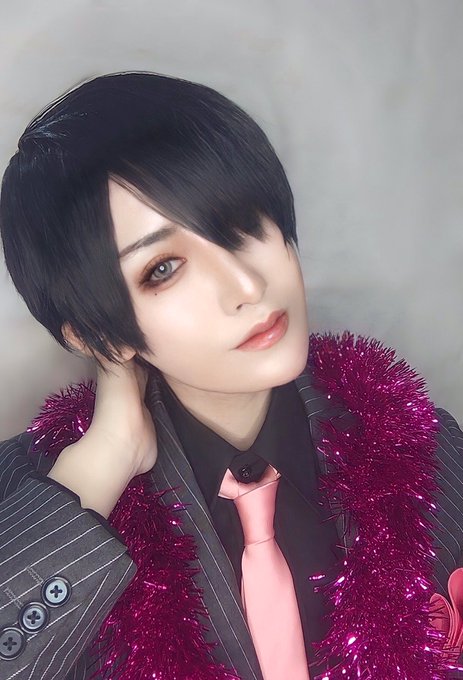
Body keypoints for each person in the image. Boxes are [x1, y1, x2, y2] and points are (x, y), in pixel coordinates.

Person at [0, 71, 462, 680]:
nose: (247, 285)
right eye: (164, 268)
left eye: (241, 223)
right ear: (94, 334)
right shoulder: (29, 501)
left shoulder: (424, 444)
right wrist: (99, 468)